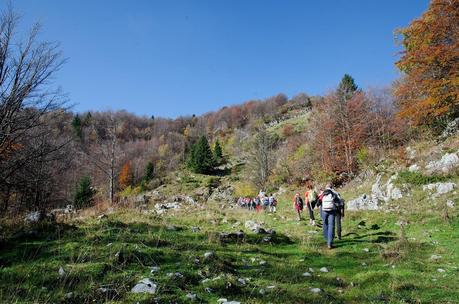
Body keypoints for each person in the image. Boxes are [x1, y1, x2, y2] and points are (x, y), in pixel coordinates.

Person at [317, 182, 342, 249]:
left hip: (324, 210)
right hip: (332, 211)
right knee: (331, 226)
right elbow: (340, 202)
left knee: (325, 224)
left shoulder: (323, 193)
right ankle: (329, 243)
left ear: (326, 187)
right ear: (332, 187)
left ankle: (326, 238)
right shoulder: (334, 192)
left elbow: (318, 202)